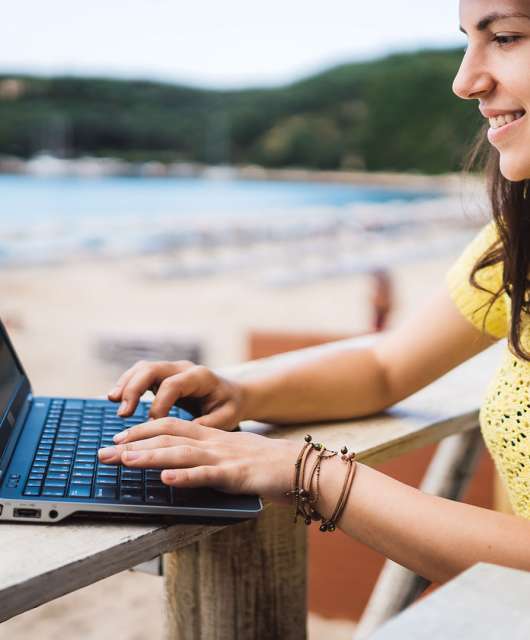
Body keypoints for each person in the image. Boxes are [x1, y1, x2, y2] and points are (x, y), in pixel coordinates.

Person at [98, 0, 530, 584]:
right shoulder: (516, 238)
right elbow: (386, 365)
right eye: (467, 40)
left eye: (505, 37)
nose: (464, 81)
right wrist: (239, 392)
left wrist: (312, 475)